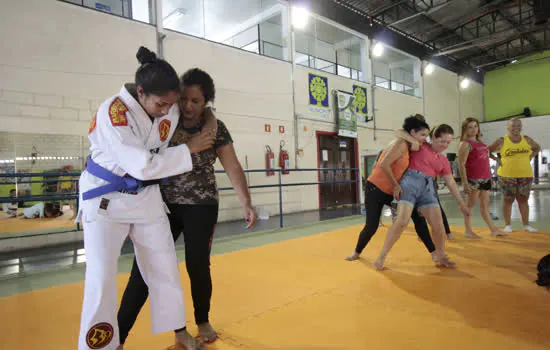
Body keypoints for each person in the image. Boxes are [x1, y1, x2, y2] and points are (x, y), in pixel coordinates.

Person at [77, 47, 215, 350]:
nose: (168, 110)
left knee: (164, 265)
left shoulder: (167, 105)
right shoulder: (113, 113)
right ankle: (100, 347)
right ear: (140, 92)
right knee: (101, 278)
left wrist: (211, 121)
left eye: (171, 103)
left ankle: (179, 331)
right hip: (106, 200)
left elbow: (202, 108)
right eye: (161, 104)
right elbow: (141, 165)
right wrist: (188, 149)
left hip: (146, 197)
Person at [117, 68, 257, 346]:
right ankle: (118, 334)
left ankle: (202, 319)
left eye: (197, 101)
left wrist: (246, 202)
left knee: (197, 264)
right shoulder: (165, 119)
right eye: (185, 99)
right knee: (144, 269)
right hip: (161, 205)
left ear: (206, 102)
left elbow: (231, 164)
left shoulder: (215, 127)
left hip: (201, 205)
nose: (189, 106)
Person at [346, 116, 442, 263]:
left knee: (418, 218)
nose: (424, 138)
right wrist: (396, 185)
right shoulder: (402, 144)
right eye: (422, 135)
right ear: (413, 132)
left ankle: (434, 253)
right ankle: (357, 251)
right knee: (371, 226)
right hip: (376, 188)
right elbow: (384, 164)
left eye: (426, 135)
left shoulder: (415, 145)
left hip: (395, 191)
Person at [373, 124, 471, 270]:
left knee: (439, 226)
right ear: (433, 138)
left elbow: (451, 182)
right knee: (401, 222)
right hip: (409, 184)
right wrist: (412, 140)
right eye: (441, 141)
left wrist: (461, 204)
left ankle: (441, 256)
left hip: (428, 188)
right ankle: (381, 257)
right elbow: (398, 131)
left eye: (448, 143)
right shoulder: (421, 145)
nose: (444, 145)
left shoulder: (444, 161)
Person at [488, 118, 540, 233]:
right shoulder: (502, 140)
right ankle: (508, 225)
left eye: (518, 125)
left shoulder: (526, 139)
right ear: (507, 127)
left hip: (525, 174)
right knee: (508, 199)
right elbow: (487, 150)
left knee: (523, 199)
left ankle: (526, 225)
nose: (516, 128)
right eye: (513, 125)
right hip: (507, 175)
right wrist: (496, 159)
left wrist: (531, 156)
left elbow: (537, 148)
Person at [457, 117, 505, 238]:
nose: (473, 129)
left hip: (486, 178)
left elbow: (484, 155)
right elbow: (461, 164)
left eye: (475, 126)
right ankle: (468, 230)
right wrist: (465, 183)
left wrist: (496, 159)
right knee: (469, 206)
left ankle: (493, 230)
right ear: (465, 130)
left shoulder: (480, 143)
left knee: (484, 206)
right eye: (470, 127)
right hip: (474, 179)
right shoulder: (465, 144)